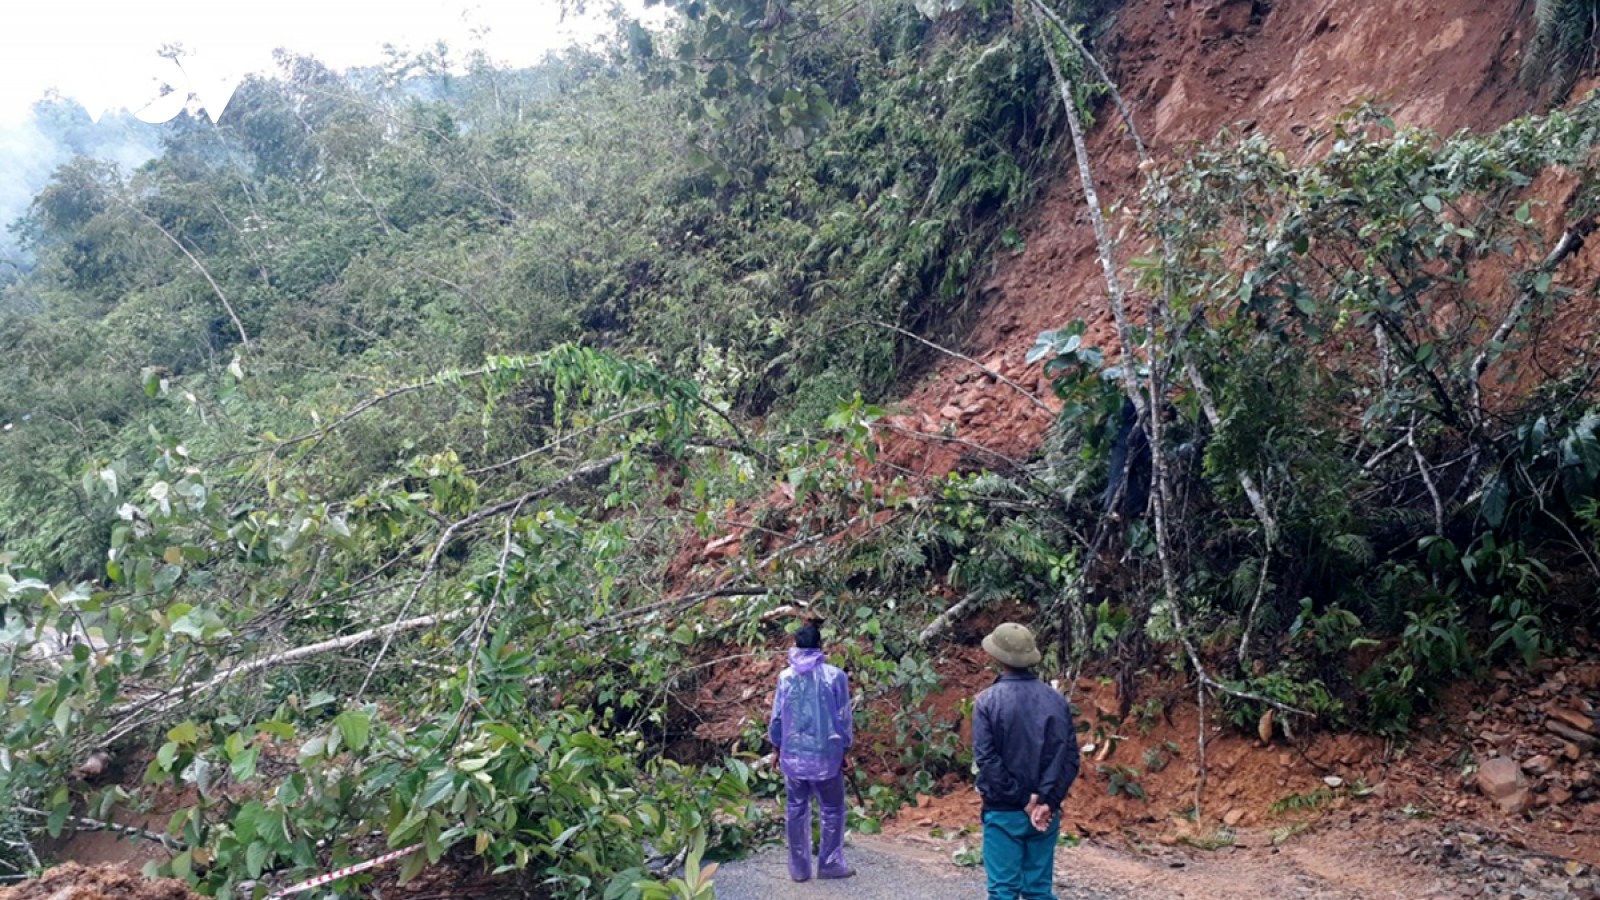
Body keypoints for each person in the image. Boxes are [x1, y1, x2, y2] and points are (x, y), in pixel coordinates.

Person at [972, 622, 1080, 900]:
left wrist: (1023, 799)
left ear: (996, 658)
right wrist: (1047, 803)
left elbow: (987, 759)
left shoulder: (987, 702)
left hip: (1003, 811)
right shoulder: (1056, 700)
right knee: (1038, 890)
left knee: (1003, 890)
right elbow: (1070, 760)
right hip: (1044, 814)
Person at [768, 620, 855, 882]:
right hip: (826, 756)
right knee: (831, 809)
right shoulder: (835, 676)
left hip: (794, 756)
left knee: (796, 809)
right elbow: (843, 718)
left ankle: (799, 869)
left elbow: (777, 719)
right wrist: (846, 750)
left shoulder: (785, 678)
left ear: (796, 646)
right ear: (820, 645)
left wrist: (776, 748)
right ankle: (829, 864)